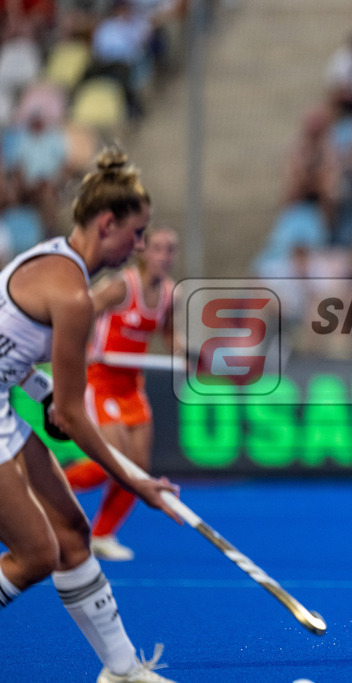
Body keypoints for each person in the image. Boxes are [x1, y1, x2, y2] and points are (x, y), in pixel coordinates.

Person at [0, 148, 180, 682]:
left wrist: (43, 390)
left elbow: (12, 355)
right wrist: (136, 480)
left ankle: (122, 671)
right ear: (107, 224)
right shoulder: (76, 296)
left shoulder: (50, 257)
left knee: (73, 534)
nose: (140, 246)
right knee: (36, 554)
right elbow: (75, 419)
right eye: (137, 233)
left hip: (4, 399)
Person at [63, 226, 178, 560]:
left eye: (170, 250)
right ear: (144, 251)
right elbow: (81, 311)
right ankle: (43, 488)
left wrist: (188, 353)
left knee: (138, 468)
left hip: (132, 387)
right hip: (100, 382)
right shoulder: (121, 286)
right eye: (158, 248)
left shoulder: (170, 293)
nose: (164, 256)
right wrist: (79, 348)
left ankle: (102, 535)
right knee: (111, 463)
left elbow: (170, 335)